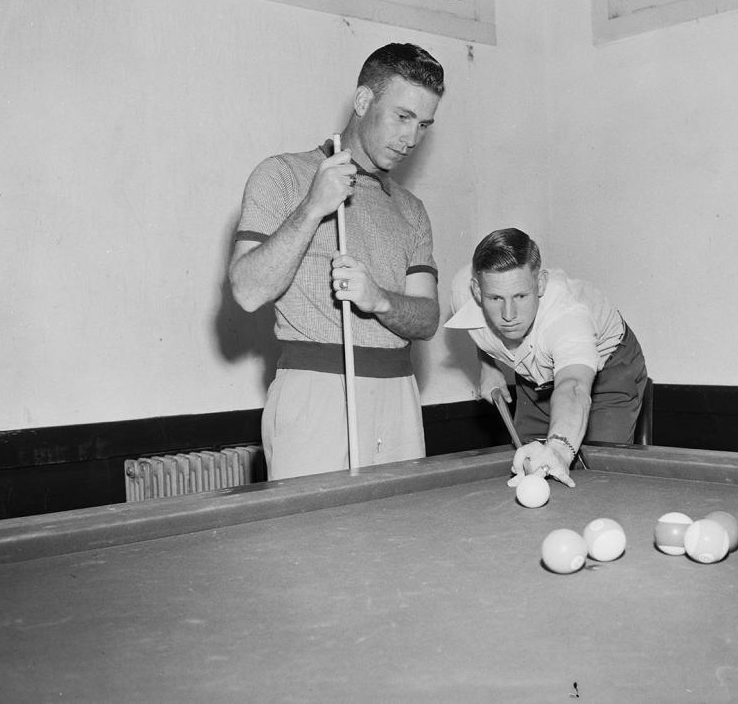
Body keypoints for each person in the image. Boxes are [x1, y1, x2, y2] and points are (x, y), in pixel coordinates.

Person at [229, 43, 444, 479]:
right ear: (364, 101)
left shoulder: (411, 209)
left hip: (398, 395)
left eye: (423, 124)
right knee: (308, 542)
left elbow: (427, 319)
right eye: (402, 117)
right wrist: (313, 206)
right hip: (315, 391)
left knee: (399, 539)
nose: (411, 139)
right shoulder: (281, 175)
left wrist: (378, 299)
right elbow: (247, 291)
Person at [446, 228, 648, 488]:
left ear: (540, 283)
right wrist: (488, 365)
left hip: (608, 369)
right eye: (495, 298)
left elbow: (574, 385)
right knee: (527, 462)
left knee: (597, 473)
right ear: (476, 291)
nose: (508, 314)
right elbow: (480, 333)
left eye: (521, 296)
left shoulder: (567, 318)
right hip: (534, 375)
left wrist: (560, 450)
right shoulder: (462, 294)